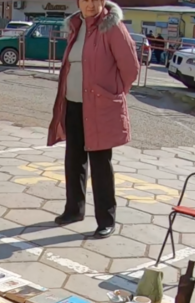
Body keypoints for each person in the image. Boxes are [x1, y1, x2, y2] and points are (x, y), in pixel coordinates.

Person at [46, 0, 139, 239]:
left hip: (99, 107)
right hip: (73, 104)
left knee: (100, 164)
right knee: (74, 159)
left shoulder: (112, 26)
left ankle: (106, 219)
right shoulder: (76, 25)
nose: (89, 4)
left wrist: (111, 94)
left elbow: (130, 68)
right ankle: (73, 210)